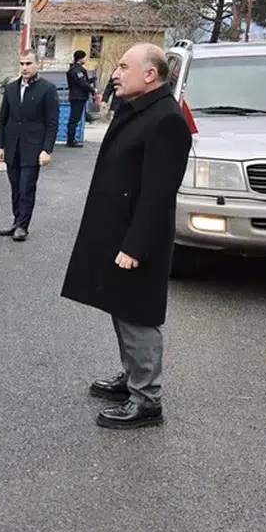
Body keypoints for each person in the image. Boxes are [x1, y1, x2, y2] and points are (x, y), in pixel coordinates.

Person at [60, 43, 192, 430]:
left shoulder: (166, 119)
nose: (115, 73)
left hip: (137, 240)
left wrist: (135, 246)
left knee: (138, 315)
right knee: (121, 306)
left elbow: (158, 194)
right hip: (117, 232)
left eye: (123, 66)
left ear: (150, 75)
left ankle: (147, 399)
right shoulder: (137, 109)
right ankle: (132, 377)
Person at [0, 50, 58, 241]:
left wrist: (47, 149)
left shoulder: (47, 89)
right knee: (15, 188)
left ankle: (23, 225)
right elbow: (2, 118)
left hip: (33, 148)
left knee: (26, 187)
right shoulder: (11, 88)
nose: (24, 68)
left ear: (38, 64)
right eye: (22, 64)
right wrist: (0, 145)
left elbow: (52, 123)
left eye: (29, 64)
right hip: (12, 147)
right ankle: (16, 220)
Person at [65, 49, 95, 147]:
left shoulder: (77, 69)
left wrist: (91, 80)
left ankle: (71, 139)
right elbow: (82, 83)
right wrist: (93, 90)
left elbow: (81, 82)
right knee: (74, 119)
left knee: (75, 119)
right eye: (84, 57)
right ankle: (70, 140)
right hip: (78, 97)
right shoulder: (76, 70)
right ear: (80, 58)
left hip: (78, 96)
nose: (85, 59)